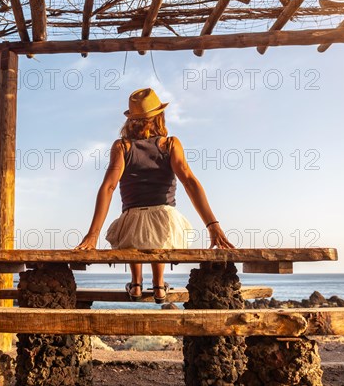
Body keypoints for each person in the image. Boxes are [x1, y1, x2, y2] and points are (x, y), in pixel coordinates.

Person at [75, 88, 234, 303]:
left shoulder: (122, 146)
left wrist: (92, 235)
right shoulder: (170, 144)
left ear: (131, 120)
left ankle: (136, 283)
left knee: (134, 228)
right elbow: (189, 181)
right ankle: (159, 286)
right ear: (159, 117)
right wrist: (212, 225)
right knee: (158, 229)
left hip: (132, 223)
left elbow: (108, 187)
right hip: (165, 222)